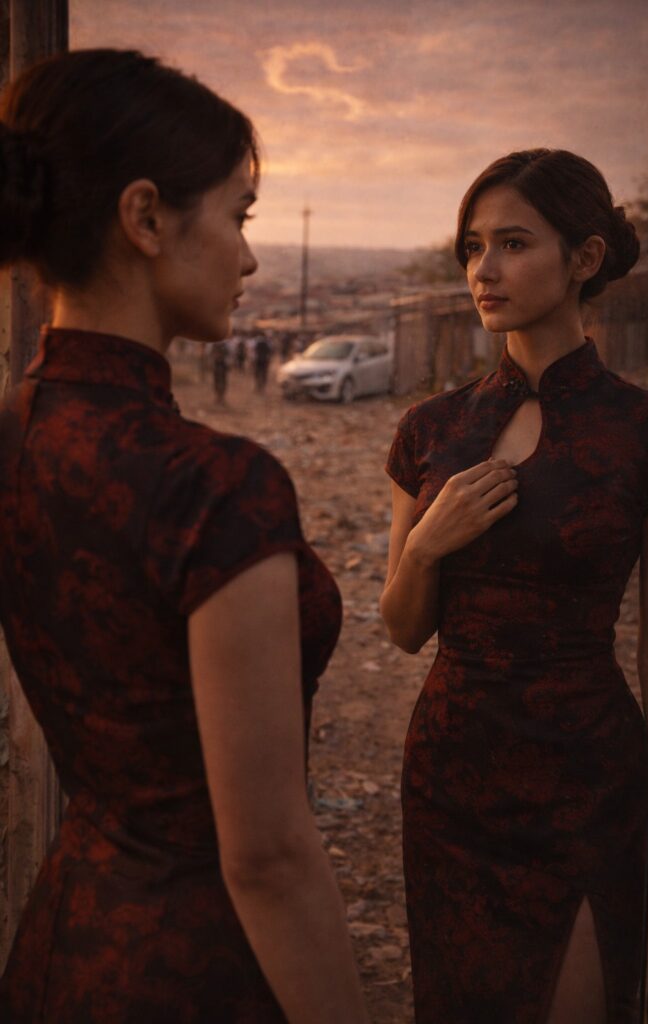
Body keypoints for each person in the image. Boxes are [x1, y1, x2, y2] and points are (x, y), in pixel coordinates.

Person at [0, 49, 368, 1024]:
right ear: (146, 217)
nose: (248, 257)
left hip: (58, 950)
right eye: (238, 216)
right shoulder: (213, 484)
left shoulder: (12, 427)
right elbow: (270, 856)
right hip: (203, 971)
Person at [380, 149, 648, 1024]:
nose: (484, 270)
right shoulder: (431, 426)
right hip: (451, 769)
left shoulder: (647, 430)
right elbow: (399, 628)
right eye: (472, 247)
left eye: (512, 243)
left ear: (582, 259)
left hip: (587, 776)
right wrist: (427, 546)